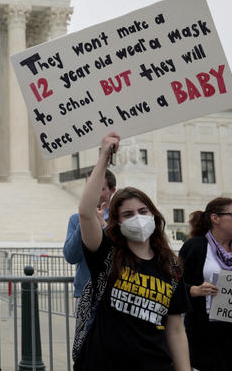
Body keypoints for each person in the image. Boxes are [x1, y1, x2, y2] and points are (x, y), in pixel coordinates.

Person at [73, 133, 190, 371]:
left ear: (154, 215)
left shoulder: (171, 266)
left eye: (143, 211)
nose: (137, 218)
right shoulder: (107, 254)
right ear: (117, 222)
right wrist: (104, 156)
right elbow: (85, 212)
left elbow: (176, 329)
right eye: (128, 214)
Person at [179, 197, 232, 371]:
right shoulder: (194, 247)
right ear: (215, 218)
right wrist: (194, 290)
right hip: (205, 336)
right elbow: (173, 285)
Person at [64, 169, 116, 299]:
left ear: (112, 190)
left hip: (114, 292)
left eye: (101, 189)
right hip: (85, 294)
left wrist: (103, 224)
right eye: (90, 188)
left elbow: (116, 252)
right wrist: (85, 219)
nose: (94, 193)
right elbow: (71, 256)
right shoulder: (76, 219)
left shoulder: (119, 218)